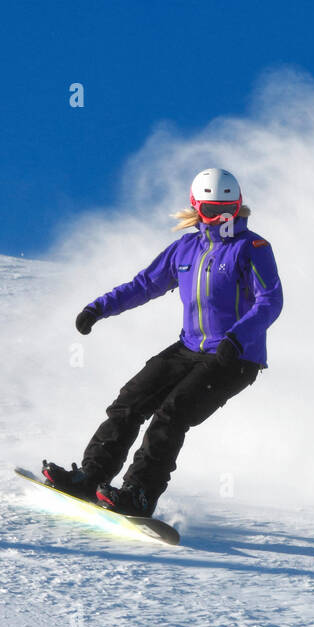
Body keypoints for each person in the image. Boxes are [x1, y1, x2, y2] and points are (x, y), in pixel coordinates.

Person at [42, 168, 283, 517]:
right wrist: (99, 308)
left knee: (171, 416)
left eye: (229, 209)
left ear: (240, 205)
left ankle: (138, 495)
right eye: (213, 210)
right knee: (130, 401)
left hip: (235, 356)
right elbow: (144, 285)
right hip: (189, 348)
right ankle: (90, 476)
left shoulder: (252, 248)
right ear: (196, 208)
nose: (222, 218)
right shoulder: (186, 248)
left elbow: (270, 301)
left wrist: (238, 337)